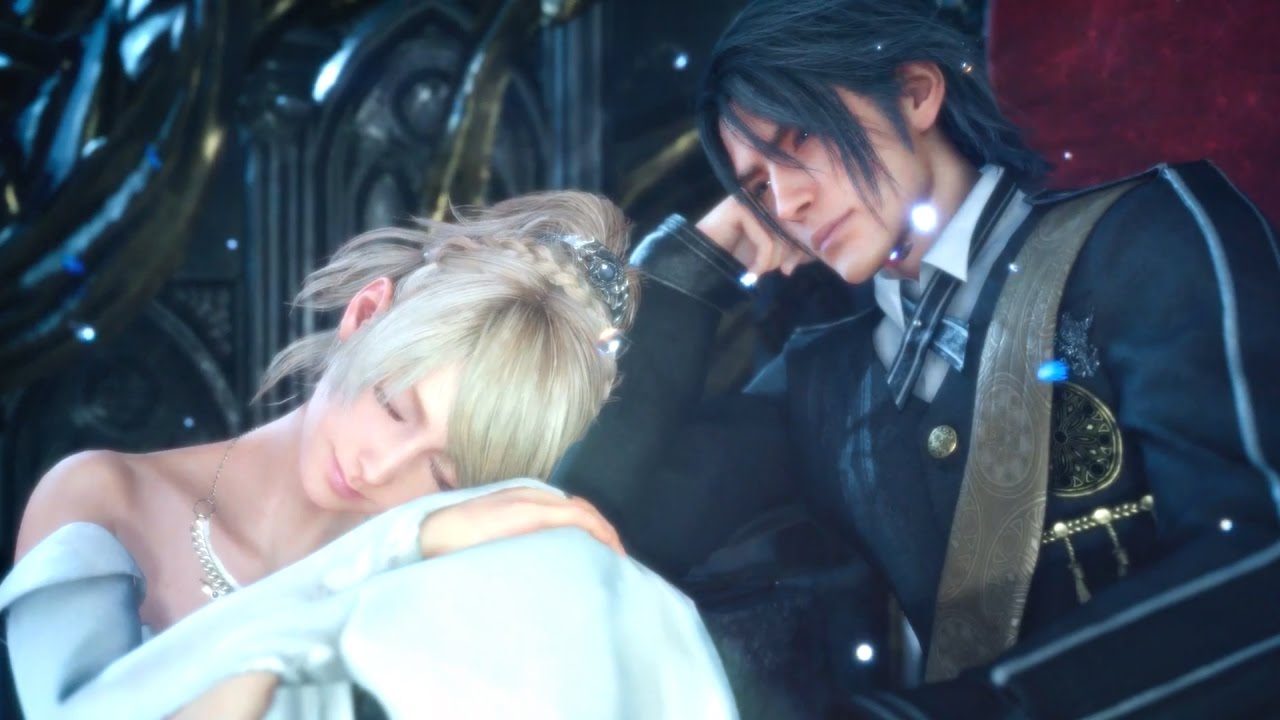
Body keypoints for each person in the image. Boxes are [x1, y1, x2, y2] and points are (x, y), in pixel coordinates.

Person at [553, 1, 1280, 718]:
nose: (788, 201)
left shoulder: (1146, 240)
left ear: (916, 93)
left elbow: (1259, 563)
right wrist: (686, 269)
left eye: (801, 137)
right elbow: (593, 529)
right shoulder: (821, 386)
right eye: (757, 186)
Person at [0, 191, 738, 720]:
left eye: (441, 474)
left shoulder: (440, 582)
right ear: (362, 314)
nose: (381, 468)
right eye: (392, 406)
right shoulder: (105, 499)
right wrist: (392, 545)